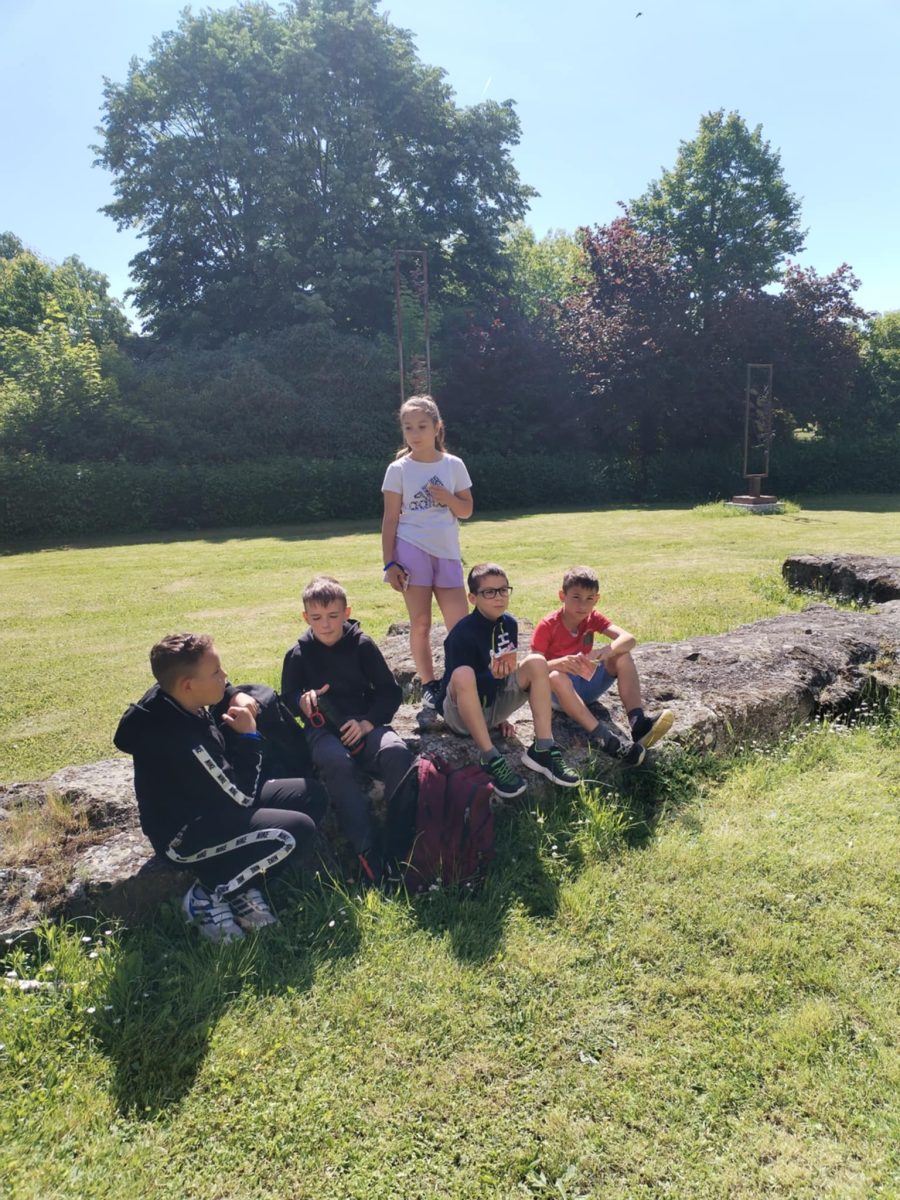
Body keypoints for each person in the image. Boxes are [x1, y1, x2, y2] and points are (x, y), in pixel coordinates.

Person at [114, 633, 327, 942]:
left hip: (213, 803)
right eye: (216, 672)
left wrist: (234, 694)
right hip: (185, 835)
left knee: (311, 795)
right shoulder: (185, 743)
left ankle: (241, 888)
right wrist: (249, 737)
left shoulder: (170, 696)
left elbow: (219, 689)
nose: (224, 675)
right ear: (188, 685)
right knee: (295, 830)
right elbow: (243, 796)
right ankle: (207, 894)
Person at [280, 576, 415, 885]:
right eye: (316, 617)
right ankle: (366, 851)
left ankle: (399, 845)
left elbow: (389, 692)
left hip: (365, 722)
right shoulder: (298, 654)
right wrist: (302, 701)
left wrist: (367, 722)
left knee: (397, 753)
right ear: (305, 617)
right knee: (335, 761)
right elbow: (286, 698)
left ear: (347, 612)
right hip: (323, 731)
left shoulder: (362, 645)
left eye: (333, 615)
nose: (326, 624)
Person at [434, 562, 581, 799]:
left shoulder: (509, 624)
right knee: (464, 673)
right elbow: (456, 687)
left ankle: (543, 748)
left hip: (493, 705)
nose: (499, 597)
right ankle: (490, 757)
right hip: (461, 716)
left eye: (503, 590)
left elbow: (505, 673)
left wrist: (501, 715)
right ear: (473, 598)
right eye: (489, 592)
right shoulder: (461, 634)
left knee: (537, 662)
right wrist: (490, 676)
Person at [381, 395, 473, 716]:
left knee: (459, 625)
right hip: (410, 550)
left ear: (437, 427)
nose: (415, 434)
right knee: (420, 622)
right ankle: (429, 684)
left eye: (422, 426)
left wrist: (448, 497)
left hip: (447, 554)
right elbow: (390, 519)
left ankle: (458, 680)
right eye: (408, 428)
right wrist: (389, 563)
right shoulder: (398, 470)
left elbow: (466, 510)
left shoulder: (453, 465)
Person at [531, 566, 674, 764]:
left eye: (589, 598)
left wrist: (607, 651)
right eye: (576, 597)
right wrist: (559, 663)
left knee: (622, 656)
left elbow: (629, 639)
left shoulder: (592, 618)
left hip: (586, 684)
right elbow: (532, 667)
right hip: (559, 695)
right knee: (555, 676)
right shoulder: (548, 625)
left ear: (596, 599)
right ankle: (607, 740)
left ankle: (638, 723)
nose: (583, 605)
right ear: (562, 596)